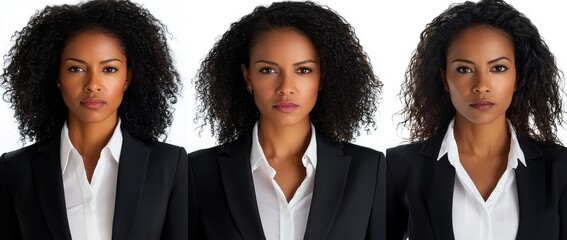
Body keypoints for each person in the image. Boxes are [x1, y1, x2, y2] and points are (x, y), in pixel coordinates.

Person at [190, 1, 385, 239]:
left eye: (303, 70)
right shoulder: (199, 171)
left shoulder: (368, 170)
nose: (285, 88)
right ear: (247, 76)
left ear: (322, 77)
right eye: (268, 70)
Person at [0, 0, 187, 239]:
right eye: (76, 69)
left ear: (128, 77)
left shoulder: (169, 165)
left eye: (109, 69)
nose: (93, 85)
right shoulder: (15, 170)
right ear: (56, 75)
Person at [386, 0, 566, 239]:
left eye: (498, 68)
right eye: (464, 69)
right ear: (444, 79)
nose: (481, 86)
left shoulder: (560, 168)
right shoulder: (399, 167)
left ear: (517, 77)